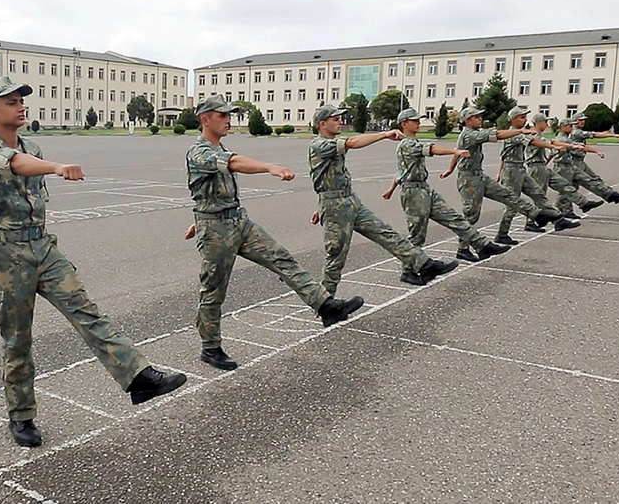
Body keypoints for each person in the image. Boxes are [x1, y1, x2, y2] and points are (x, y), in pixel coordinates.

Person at [0, 76, 187, 448]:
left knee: (87, 311)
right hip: (7, 255)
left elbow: (27, 164)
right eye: (11, 102)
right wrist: (55, 166)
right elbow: (15, 164)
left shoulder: (32, 146)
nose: (21, 106)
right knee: (17, 339)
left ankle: (138, 377)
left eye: (21, 100)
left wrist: (47, 165)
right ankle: (21, 415)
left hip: (42, 247)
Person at [187, 95, 364, 371]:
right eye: (223, 115)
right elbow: (233, 163)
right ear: (205, 119)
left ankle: (325, 306)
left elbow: (207, 191)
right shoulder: (199, 151)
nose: (228, 120)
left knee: (282, 258)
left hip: (237, 221)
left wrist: (200, 216)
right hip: (216, 230)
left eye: (229, 115)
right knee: (214, 289)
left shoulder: (220, 148)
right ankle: (210, 347)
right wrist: (270, 167)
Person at [309, 104, 458, 292]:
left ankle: (424, 264)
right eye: (336, 119)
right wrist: (384, 134)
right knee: (336, 255)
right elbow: (352, 143)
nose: (341, 122)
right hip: (334, 207)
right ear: (322, 124)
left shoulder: (330, 144)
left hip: (348, 201)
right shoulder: (319, 144)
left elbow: (327, 178)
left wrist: (321, 204)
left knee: (386, 233)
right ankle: (325, 300)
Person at [381, 108, 510, 267]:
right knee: (417, 235)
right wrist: (455, 151)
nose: (418, 123)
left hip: (424, 189)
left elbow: (401, 170)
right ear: (404, 124)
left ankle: (482, 246)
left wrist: (391, 189)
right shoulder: (406, 144)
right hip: (413, 192)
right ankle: (409, 270)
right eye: (414, 121)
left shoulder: (413, 142)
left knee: (454, 218)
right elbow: (432, 149)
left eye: (418, 120)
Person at [440, 107, 565, 261]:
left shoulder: (471, 134)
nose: (480, 119)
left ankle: (538, 215)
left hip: (479, 175)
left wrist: (450, 169)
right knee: (471, 216)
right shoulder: (469, 134)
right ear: (468, 121)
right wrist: (520, 131)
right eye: (477, 117)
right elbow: (496, 134)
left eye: (480, 116)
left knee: (508, 196)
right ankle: (463, 249)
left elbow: (457, 151)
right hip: (469, 179)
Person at [493, 107, 591, 243]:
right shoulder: (512, 134)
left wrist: (567, 146)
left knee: (538, 194)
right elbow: (534, 142)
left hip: (520, 169)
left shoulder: (522, 132)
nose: (525, 120)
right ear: (513, 119)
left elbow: (546, 141)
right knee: (512, 204)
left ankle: (558, 219)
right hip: (511, 172)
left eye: (525, 117)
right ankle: (502, 234)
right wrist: (553, 147)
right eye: (522, 117)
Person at [520, 112, 604, 233]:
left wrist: (571, 146)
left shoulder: (540, 135)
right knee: (539, 196)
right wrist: (563, 146)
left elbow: (553, 142)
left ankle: (584, 203)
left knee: (564, 185)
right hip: (535, 167)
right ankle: (531, 222)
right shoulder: (532, 135)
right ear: (538, 123)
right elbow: (551, 144)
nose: (547, 124)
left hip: (542, 167)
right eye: (545, 121)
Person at [556, 112, 619, 218]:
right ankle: (609, 195)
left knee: (573, 186)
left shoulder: (573, 132)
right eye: (580, 120)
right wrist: (609, 137)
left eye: (584, 120)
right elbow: (594, 135)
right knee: (584, 182)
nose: (583, 122)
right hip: (574, 162)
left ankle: (566, 210)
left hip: (576, 161)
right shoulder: (575, 132)